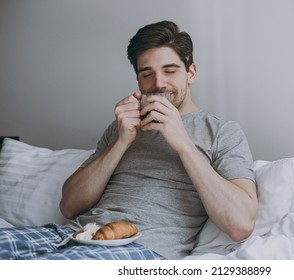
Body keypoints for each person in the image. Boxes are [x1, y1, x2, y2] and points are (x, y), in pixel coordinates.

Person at [0, 20, 257, 260]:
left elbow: (240, 225)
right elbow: (68, 207)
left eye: (170, 70)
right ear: (138, 81)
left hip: (137, 249)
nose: (159, 83)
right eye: (147, 74)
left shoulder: (223, 132)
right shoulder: (122, 126)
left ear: (191, 73)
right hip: (73, 235)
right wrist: (121, 141)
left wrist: (183, 143)